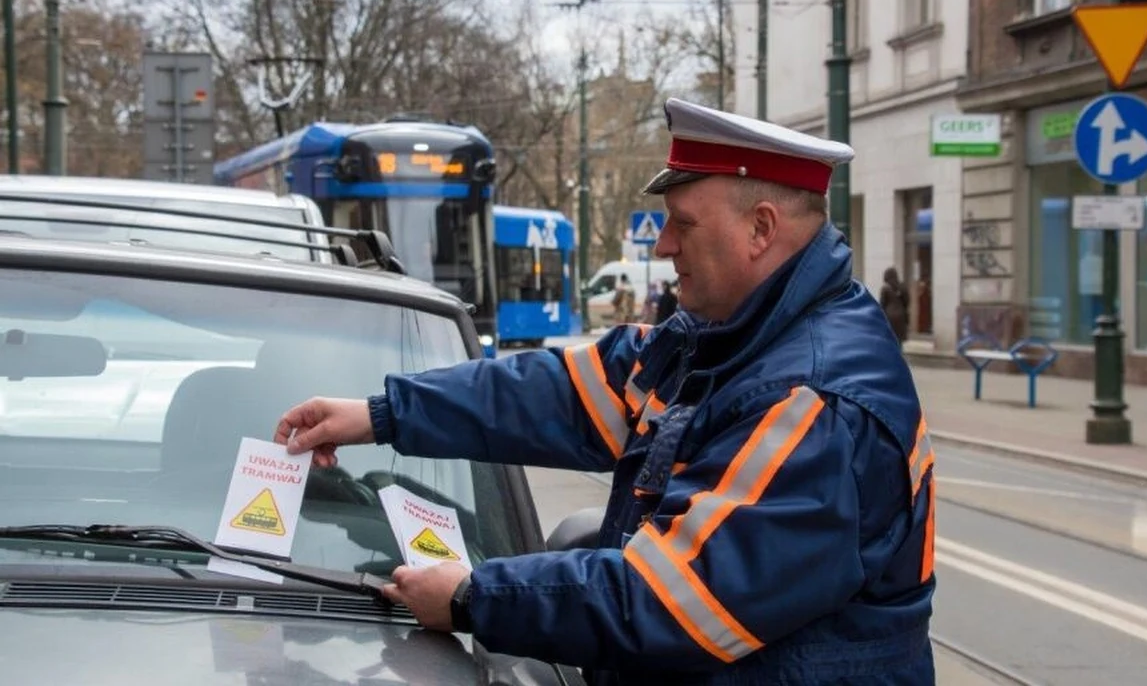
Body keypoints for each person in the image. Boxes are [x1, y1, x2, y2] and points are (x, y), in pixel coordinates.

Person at [275, 97, 937, 684]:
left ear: (761, 230)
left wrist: (472, 598)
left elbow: (674, 601)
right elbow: (557, 394)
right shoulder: (716, 340)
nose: (666, 245)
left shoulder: (814, 403)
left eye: (684, 223)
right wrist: (381, 414)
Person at [880, 266, 911, 343]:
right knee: (899, 340)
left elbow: (882, 304)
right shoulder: (902, 287)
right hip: (901, 316)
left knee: (889, 340)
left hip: (889, 316)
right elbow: (907, 301)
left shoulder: (885, 288)